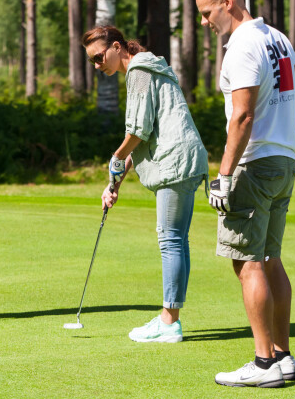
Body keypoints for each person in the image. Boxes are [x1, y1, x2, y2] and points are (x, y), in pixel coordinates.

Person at [195, 0, 295, 387]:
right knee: (271, 257)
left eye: (207, 13)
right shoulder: (278, 37)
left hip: (254, 164)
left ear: (227, 2)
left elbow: (241, 116)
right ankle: (283, 356)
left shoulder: (241, 46)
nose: (205, 22)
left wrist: (223, 175)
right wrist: (283, 140)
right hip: (283, 159)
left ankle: (263, 365)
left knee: (247, 262)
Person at [82, 25, 209, 343]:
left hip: (175, 162)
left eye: (99, 58)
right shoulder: (147, 65)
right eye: (92, 62)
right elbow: (144, 134)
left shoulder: (138, 70)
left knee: (170, 240)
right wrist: (115, 183)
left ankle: (169, 323)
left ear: (115, 47)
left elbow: (137, 131)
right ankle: (170, 318)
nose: (98, 66)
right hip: (185, 159)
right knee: (176, 239)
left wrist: (115, 157)